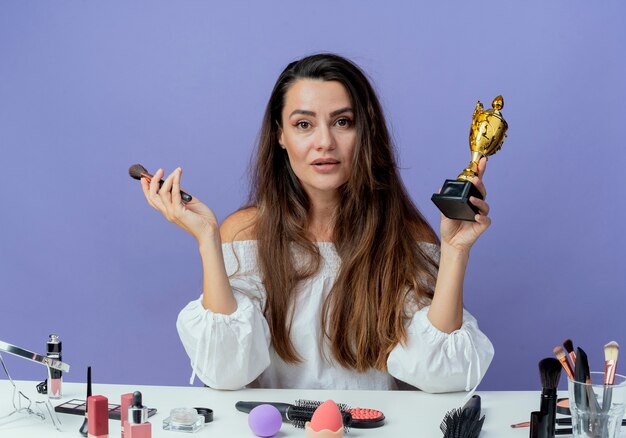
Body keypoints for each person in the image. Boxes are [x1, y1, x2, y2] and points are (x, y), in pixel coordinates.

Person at [140, 53, 494, 392]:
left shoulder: (405, 236)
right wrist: (207, 239)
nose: (324, 142)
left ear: (364, 131)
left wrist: (455, 251)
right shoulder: (246, 234)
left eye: (342, 122)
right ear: (280, 135)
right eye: (304, 124)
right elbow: (224, 371)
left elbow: (442, 376)